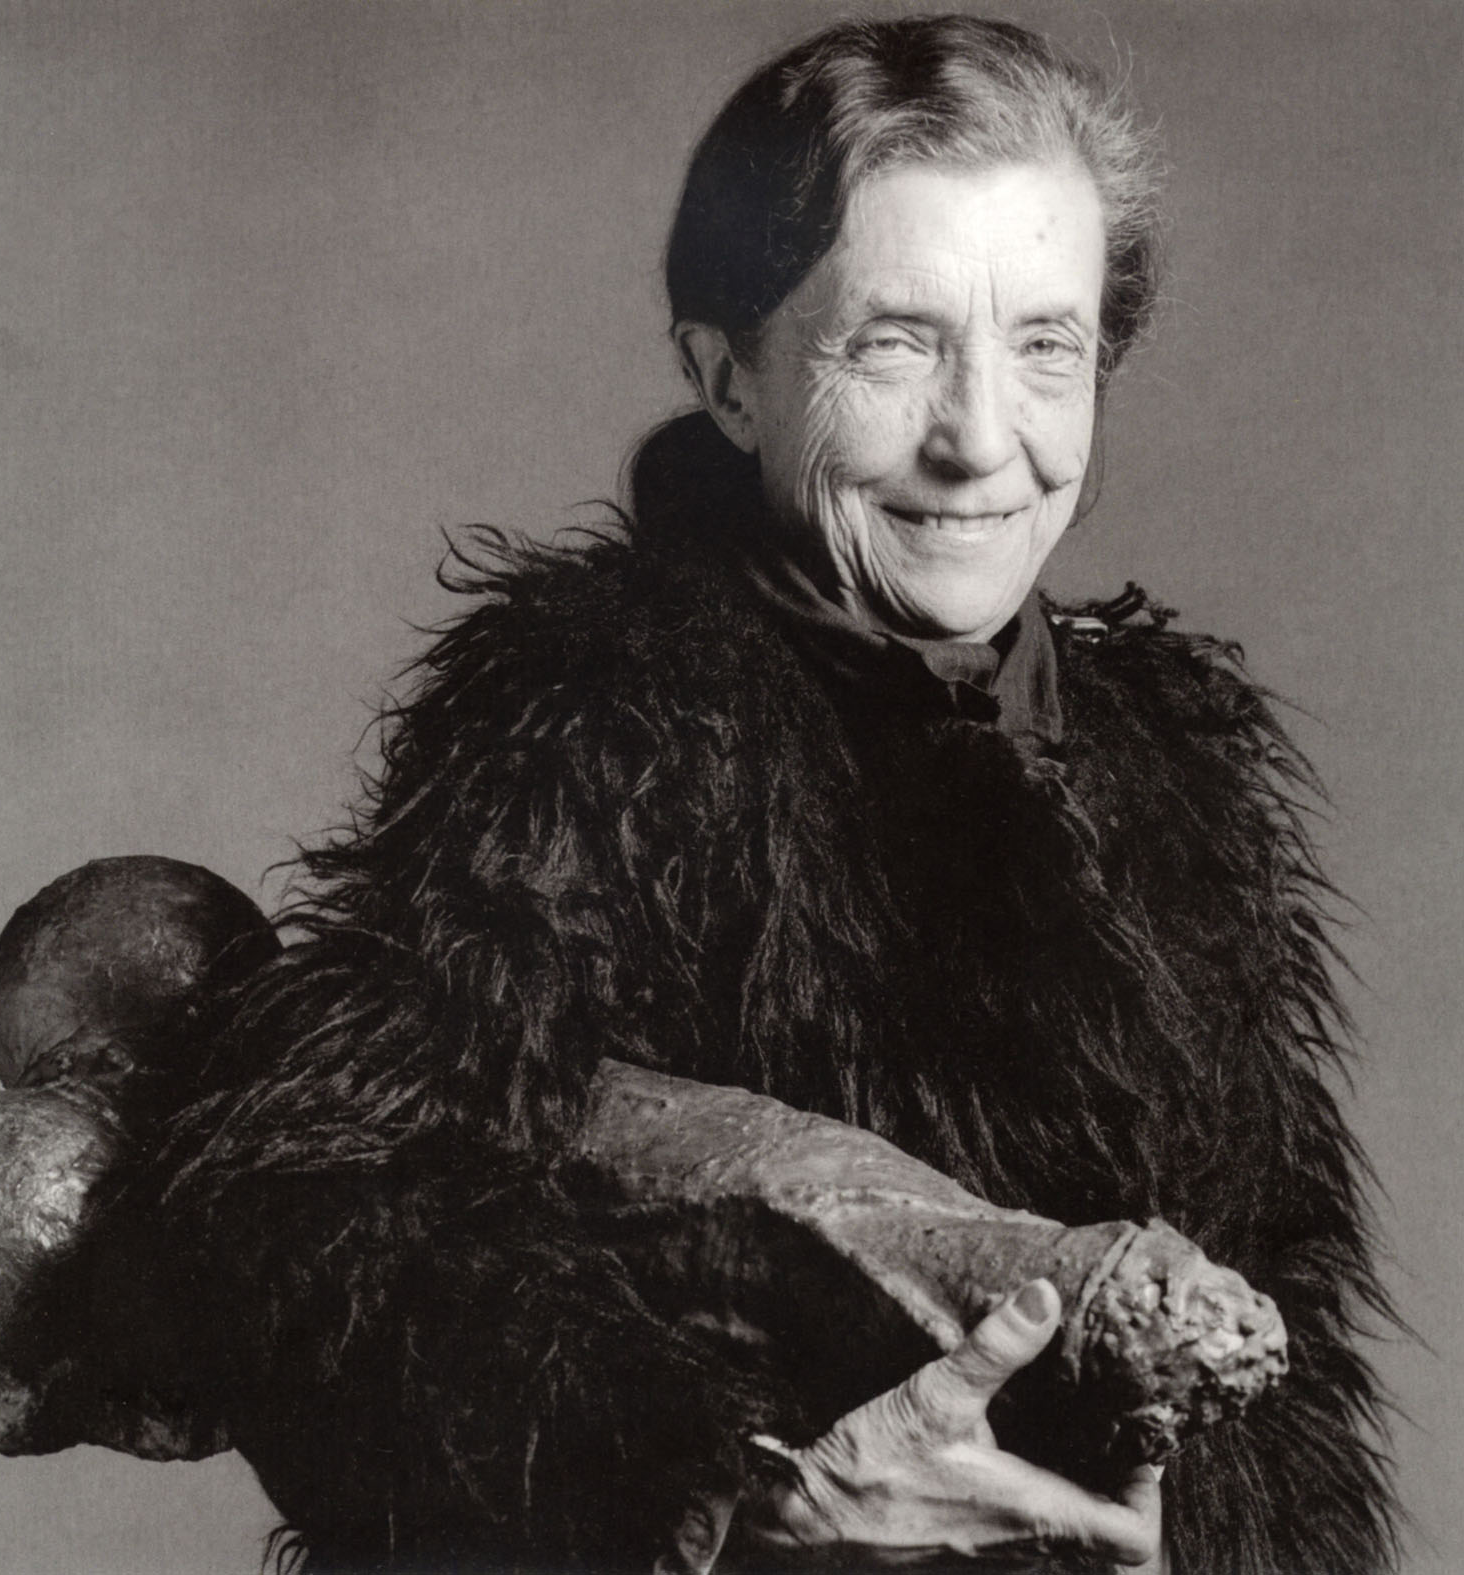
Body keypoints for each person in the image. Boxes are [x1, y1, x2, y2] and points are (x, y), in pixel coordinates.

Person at [141, 15, 1396, 1572]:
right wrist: (751, 1501)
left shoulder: (1175, 760)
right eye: (894, 344)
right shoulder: (598, 725)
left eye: (1045, 346)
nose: (980, 439)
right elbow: (334, 1230)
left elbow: (1286, 1348)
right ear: (731, 379)